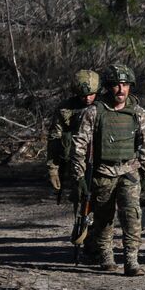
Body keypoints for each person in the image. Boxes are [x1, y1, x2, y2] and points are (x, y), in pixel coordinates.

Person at [70, 64, 145, 276]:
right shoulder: (94, 112)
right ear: (108, 87)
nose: (121, 90)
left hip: (129, 170)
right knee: (103, 218)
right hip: (102, 173)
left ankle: (131, 260)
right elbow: (79, 145)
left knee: (132, 217)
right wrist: (79, 176)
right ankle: (106, 255)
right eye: (116, 85)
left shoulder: (138, 113)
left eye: (125, 85)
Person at [46, 69, 99, 202]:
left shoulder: (105, 107)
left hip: (102, 160)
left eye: (91, 94)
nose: (87, 98)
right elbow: (55, 139)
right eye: (83, 95)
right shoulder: (65, 110)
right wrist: (53, 169)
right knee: (80, 195)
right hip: (75, 160)